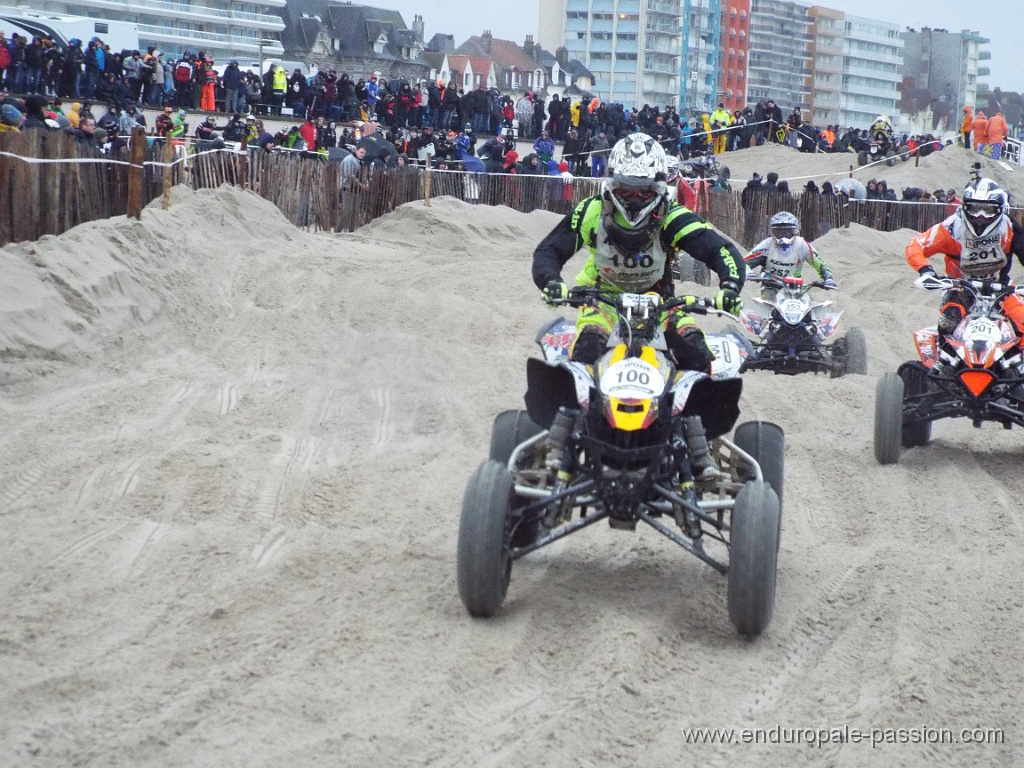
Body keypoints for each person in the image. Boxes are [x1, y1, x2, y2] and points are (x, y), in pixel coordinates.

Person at [531, 132, 746, 478]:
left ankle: (700, 449)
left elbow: (719, 250)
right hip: (603, 302)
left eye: (642, 190)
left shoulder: (673, 217)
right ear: (612, 185)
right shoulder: (591, 211)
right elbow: (549, 250)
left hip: (660, 303)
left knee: (698, 354)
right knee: (583, 352)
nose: (633, 198)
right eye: (626, 189)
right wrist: (552, 281)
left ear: (658, 189)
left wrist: (731, 285)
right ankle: (563, 447)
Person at [905, 177, 1024, 370]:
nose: (981, 215)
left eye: (988, 209)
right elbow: (916, 245)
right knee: (949, 319)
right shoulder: (952, 228)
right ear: (965, 206)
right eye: (975, 208)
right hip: (960, 287)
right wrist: (926, 271)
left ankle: (1017, 371)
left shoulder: (1008, 227)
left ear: (1000, 209)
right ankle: (944, 369)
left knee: (1022, 320)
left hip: (1000, 288)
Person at [743, 211, 836, 298]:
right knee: (768, 308)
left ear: (795, 231)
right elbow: (744, 263)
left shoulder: (802, 245)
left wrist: (828, 279)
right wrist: (749, 273)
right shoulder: (766, 245)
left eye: (788, 232)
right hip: (771, 285)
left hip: (796, 286)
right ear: (772, 232)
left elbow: (820, 264)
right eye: (779, 232)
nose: (784, 236)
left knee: (810, 306)